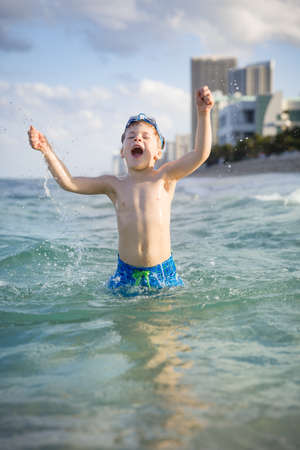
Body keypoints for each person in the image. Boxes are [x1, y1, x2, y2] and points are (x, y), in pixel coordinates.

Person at [28, 86, 214, 290]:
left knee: (165, 321)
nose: (137, 138)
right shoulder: (114, 185)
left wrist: (203, 113)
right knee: (127, 322)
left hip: (163, 273)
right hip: (125, 275)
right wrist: (47, 150)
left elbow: (200, 154)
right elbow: (69, 183)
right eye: (131, 136)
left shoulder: (166, 177)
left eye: (145, 136)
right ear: (123, 151)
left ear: (158, 152)